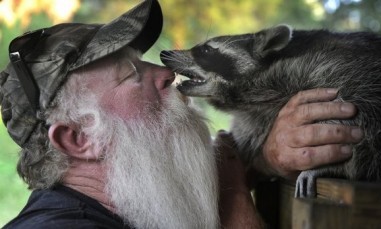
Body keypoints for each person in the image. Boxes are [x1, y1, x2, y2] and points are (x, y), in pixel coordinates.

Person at [0, 0, 362, 228]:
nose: (166, 73)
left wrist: (264, 158)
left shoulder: (137, 204)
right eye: (131, 75)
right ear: (79, 138)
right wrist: (235, 196)